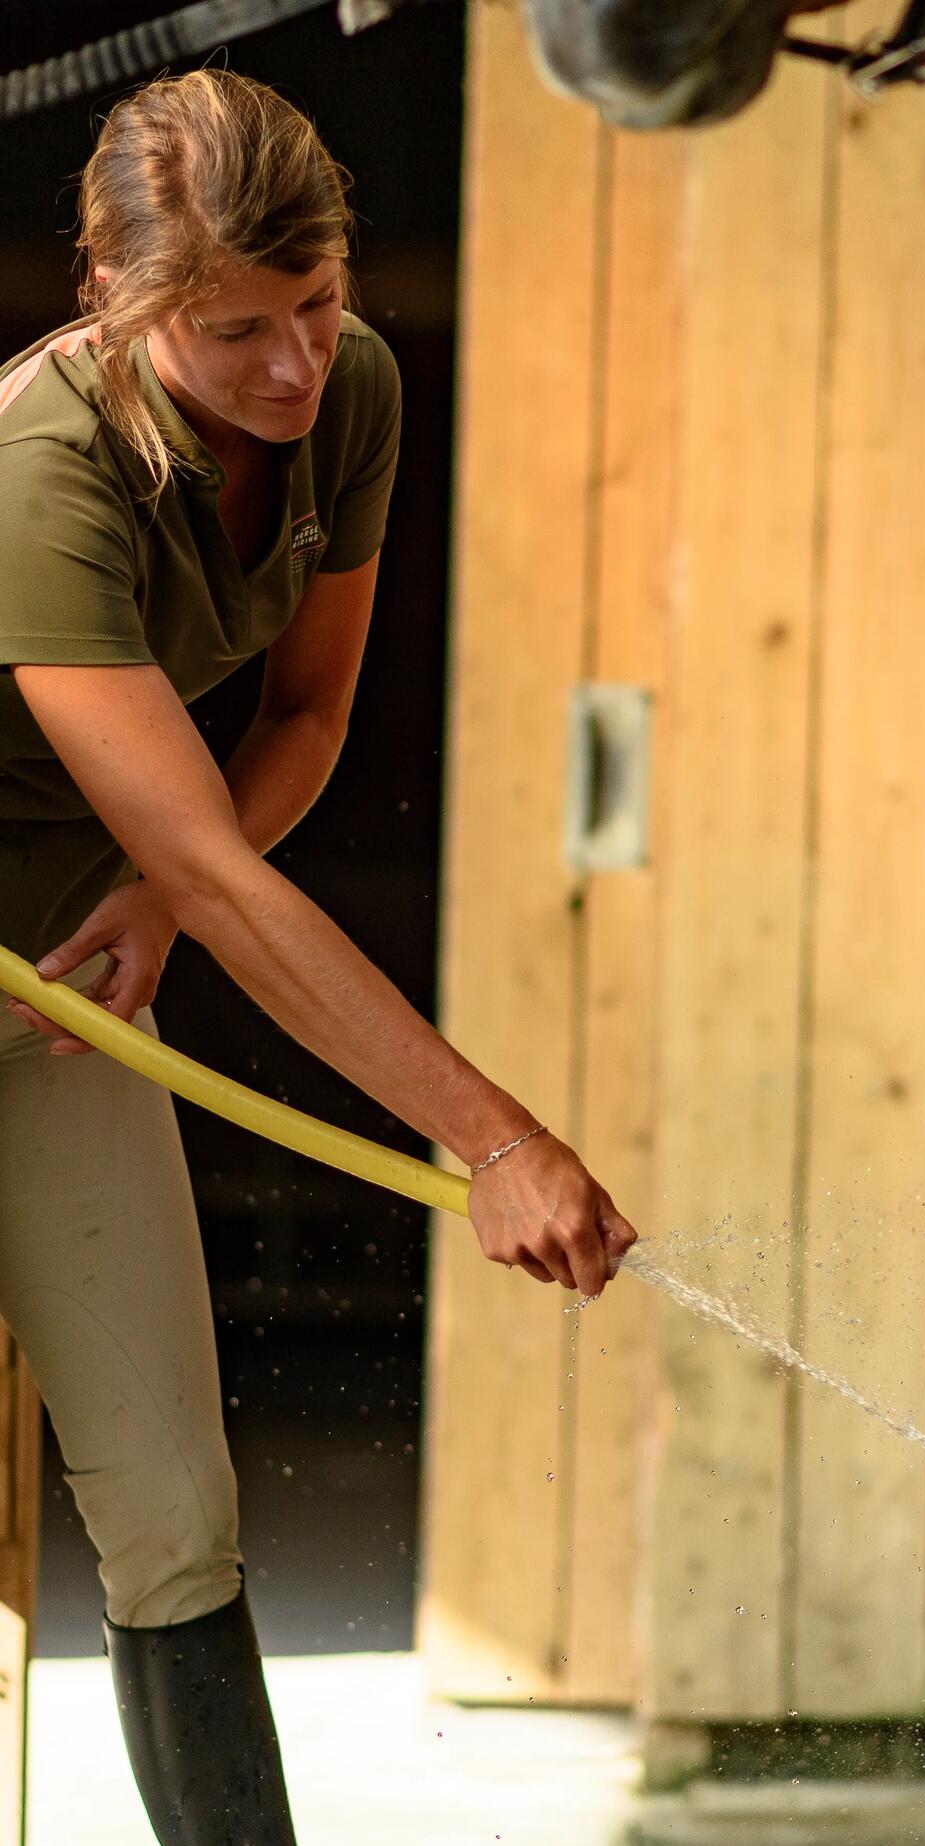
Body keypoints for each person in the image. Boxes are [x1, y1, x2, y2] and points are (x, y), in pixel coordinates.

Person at [0, 68, 637, 1844]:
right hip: (67, 940)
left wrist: (156, 896)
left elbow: (307, 715)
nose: (293, 364)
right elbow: (212, 855)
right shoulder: (36, 473)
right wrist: (496, 1138)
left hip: (50, 994)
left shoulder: (346, 393)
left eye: (319, 302)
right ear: (123, 315)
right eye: (234, 332)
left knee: (175, 1513)